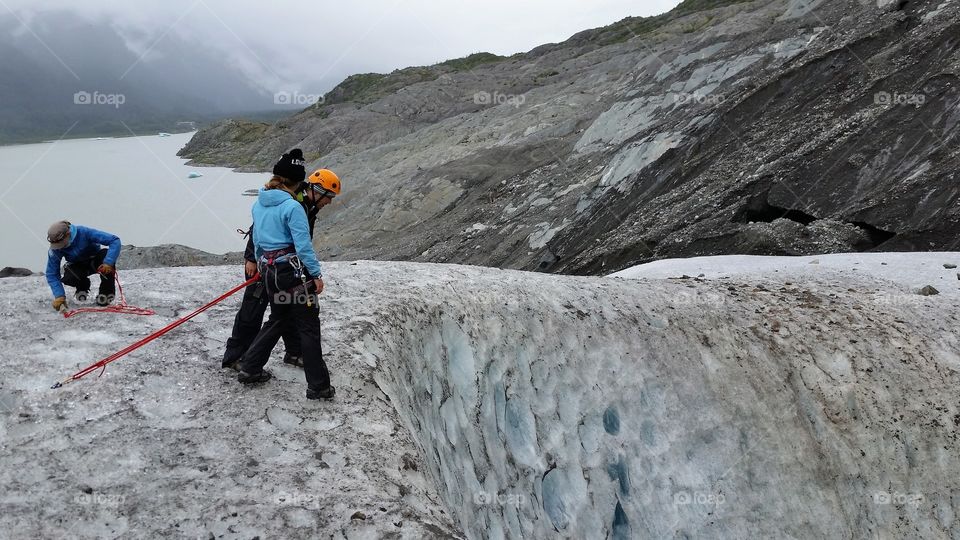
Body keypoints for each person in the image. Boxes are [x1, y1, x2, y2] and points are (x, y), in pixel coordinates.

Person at [221, 154, 341, 370]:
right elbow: (260, 227)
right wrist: (252, 258)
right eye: (328, 197)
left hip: (283, 265)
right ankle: (236, 356)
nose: (329, 202)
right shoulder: (291, 201)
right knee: (253, 309)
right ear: (317, 190)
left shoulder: (304, 202)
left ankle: (294, 353)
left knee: (287, 308)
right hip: (267, 263)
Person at [45, 221, 121, 312]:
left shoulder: (84, 232)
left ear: (68, 234)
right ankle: (82, 286)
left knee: (104, 255)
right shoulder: (55, 249)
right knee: (69, 278)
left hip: (96, 262)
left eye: (61, 244)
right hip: (76, 266)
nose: (60, 247)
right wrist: (59, 296)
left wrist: (108, 262)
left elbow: (114, 240)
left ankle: (106, 294)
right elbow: (52, 273)